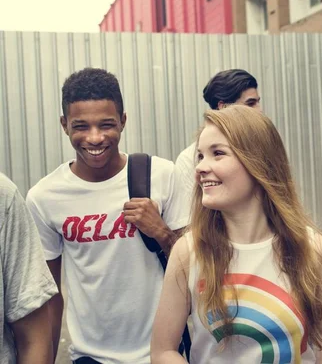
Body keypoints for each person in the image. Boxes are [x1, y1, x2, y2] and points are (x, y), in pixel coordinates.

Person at [151, 105, 322, 363]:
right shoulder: (189, 252)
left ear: (259, 162)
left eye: (217, 153)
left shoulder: (313, 248)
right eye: (200, 156)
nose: (200, 168)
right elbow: (164, 351)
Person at [25, 68, 189, 363]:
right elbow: (49, 296)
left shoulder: (161, 176)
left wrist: (162, 232)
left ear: (123, 121)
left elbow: (198, 269)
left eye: (106, 125)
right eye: (81, 126)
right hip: (89, 356)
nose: (95, 138)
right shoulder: (44, 197)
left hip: (161, 352)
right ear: (64, 125)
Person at [175, 69, 261, 206]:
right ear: (223, 107)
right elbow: (192, 216)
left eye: (257, 102)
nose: (259, 110)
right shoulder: (188, 159)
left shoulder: (262, 147)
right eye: (250, 103)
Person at [1, 172, 58, 364]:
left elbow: (33, 334)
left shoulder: (3, 195)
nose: (95, 139)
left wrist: (158, 232)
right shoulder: (43, 196)